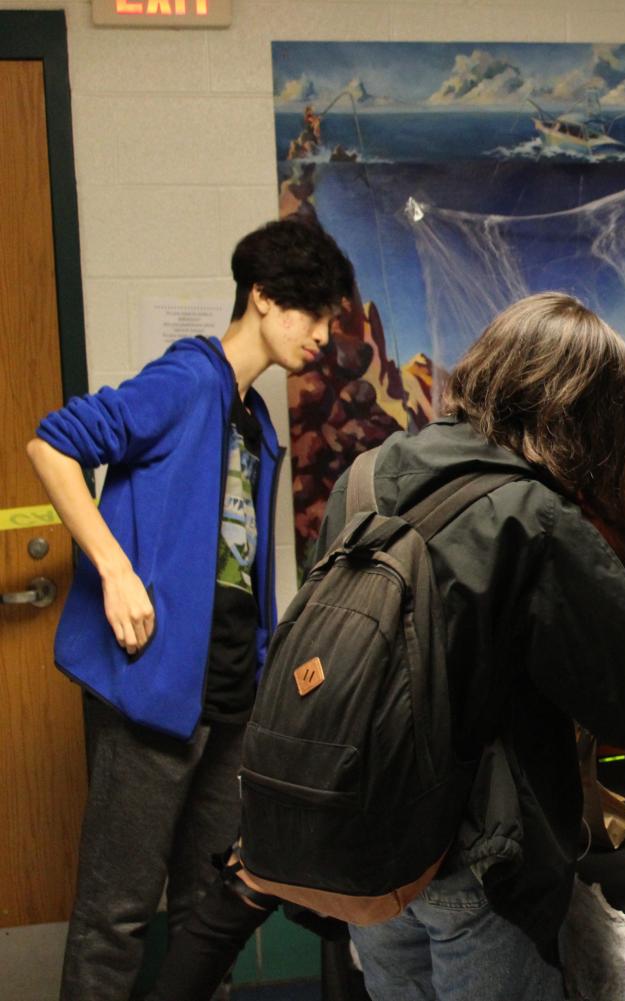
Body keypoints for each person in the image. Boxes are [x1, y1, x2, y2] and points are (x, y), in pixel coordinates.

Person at [316, 293, 625, 1000]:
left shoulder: (367, 476)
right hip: (477, 856)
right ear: (582, 412)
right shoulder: (530, 515)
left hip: (368, 844)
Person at [26, 219, 355, 1001]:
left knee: (207, 911)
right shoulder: (186, 381)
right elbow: (52, 444)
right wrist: (115, 571)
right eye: (311, 313)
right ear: (263, 297)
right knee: (118, 914)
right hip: (156, 687)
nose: (321, 335)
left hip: (230, 693)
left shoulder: (254, 419)